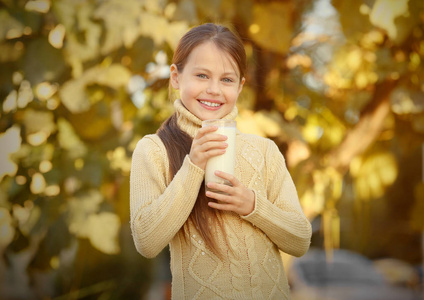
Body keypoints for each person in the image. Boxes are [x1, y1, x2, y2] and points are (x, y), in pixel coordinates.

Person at [130, 23, 312, 299]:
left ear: (240, 87)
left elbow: (300, 240)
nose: (214, 89)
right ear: (176, 77)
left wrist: (252, 205)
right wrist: (193, 165)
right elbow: (146, 241)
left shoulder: (265, 151)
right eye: (202, 75)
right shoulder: (154, 150)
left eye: (226, 80)